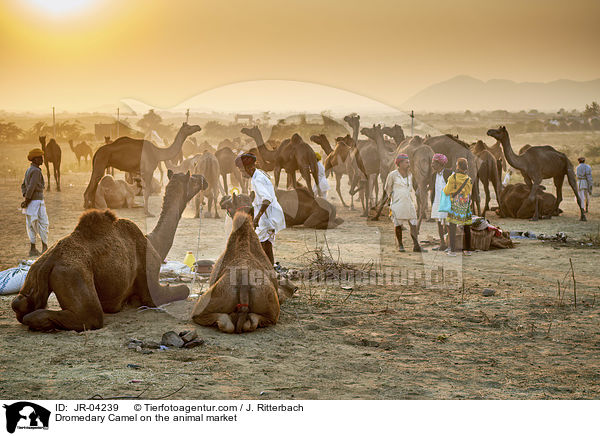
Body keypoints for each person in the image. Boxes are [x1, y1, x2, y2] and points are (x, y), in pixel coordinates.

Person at [235, 152, 286, 265]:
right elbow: (257, 196)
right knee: (266, 246)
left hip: (267, 218)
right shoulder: (257, 175)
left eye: (242, 170)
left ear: (250, 167)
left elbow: (267, 199)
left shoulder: (257, 179)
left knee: (261, 247)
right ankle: (270, 270)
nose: (241, 173)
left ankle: (266, 271)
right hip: (268, 216)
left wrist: (257, 218)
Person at [383, 154, 426, 253]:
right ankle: (400, 245)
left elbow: (415, 187)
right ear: (400, 164)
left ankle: (416, 245)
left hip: (408, 202)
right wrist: (390, 201)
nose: (408, 164)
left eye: (408, 162)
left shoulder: (411, 175)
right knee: (398, 224)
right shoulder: (393, 175)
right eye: (406, 162)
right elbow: (387, 189)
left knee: (413, 223)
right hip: (397, 203)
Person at [21, 148, 49, 257]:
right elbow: (32, 187)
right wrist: (27, 200)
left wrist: (26, 199)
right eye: (40, 158)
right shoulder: (36, 171)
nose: (42, 160)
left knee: (31, 225)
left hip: (30, 201)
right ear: (35, 159)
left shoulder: (29, 170)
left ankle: (32, 249)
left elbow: (23, 185)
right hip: (37, 201)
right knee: (43, 224)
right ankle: (45, 247)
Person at [443, 158, 473, 256]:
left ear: (458, 166)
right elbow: (469, 192)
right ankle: (467, 250)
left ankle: (452, 251)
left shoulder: (453, 178)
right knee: (467, 227)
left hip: (455, 205)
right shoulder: (469, 179)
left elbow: (446, 191)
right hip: (465, 205)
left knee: (452, 227)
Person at [430, 153, 453, 251]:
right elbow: (433, 190)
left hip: (447, 202)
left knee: (448, 224)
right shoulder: (434, 175)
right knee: (439, 223)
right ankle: (442, 243)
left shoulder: (449, 173)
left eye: (434, 163)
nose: (432, 165)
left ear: (440, 164)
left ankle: (450, 245)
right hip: (437, 201)